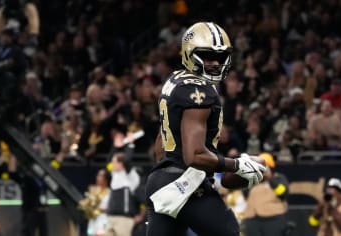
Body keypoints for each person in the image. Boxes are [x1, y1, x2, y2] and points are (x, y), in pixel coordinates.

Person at [145, 22, 266, 236]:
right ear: (189, 54)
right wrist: (236, 165)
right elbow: (194, 156)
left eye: (220, 58)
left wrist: (166, 181)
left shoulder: (175, 81)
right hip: (185, 183)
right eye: (207, 56)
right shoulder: (199, 91)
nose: (215, 63)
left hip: (160, 183)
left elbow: (161, 143)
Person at [242, 153, 289, 236]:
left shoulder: (278, 178)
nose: (262, 170)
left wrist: (270, 178)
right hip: (252, 219)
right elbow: (245, 193)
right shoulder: (254, 179)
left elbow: (283, 194)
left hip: (273, 219)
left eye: (264, 167)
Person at [106, 152, 145, 236]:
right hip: (110, 218)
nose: (111, 164)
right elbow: (108, 163)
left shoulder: (131, 176)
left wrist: (141, 216)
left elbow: (143, 201)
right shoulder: (114, 175)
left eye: (114, 162)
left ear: (121, 164)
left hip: (124, 219)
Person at [85, 169, 111, 236]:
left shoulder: (110, 192)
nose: (98, 177)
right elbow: (88, 205)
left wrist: (100, 210)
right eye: (98, 175)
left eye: (101, 176)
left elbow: (112, 208)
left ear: (106, 179)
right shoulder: (92, 190)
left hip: (103, 220)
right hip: (92, 221)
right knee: (90, 233)